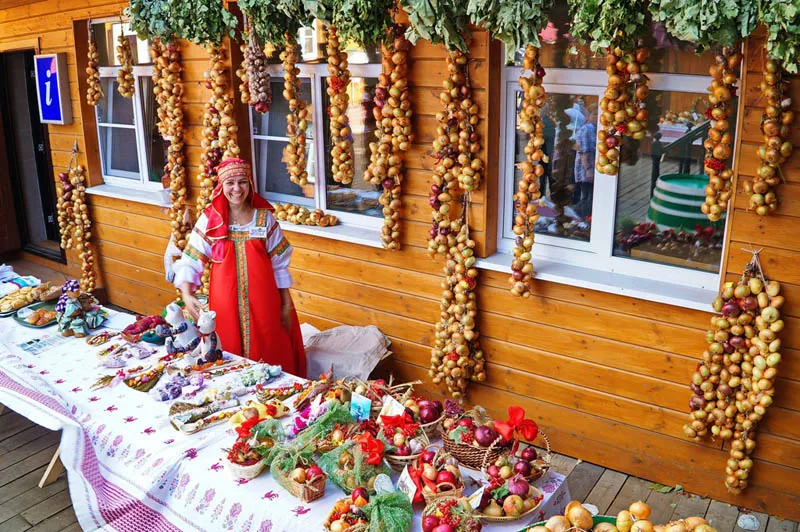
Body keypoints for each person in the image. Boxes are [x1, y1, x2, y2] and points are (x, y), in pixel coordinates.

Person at [172, 158, 306, 376]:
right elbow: (190, 259)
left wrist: (285, 303)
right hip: (224, 304)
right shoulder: (210, 220)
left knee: (270, 349)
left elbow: (279, 266)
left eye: (242, 182)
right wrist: (187, 294)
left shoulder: (264, 219)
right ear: (221, 186)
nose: (237, 188)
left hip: (265, 303)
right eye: (230, 183)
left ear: (250, 184)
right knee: (228, 351)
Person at [573, 107, 597, 218]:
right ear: (588, 116)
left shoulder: (596, 128)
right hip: (585, 169)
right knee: (587, 197)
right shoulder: (586, 129)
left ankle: (584, 217)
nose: (597, 117)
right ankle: (580, 217)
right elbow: (584, 152)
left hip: (593, 168)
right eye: (594, 114)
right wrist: (588, 170)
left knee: (591, 196)